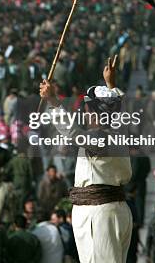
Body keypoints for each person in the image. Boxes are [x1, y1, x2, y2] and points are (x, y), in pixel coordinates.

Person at [40, 56, 133, 263]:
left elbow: (72, 132)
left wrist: (53, 102)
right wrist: (111, 85)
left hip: (99, 215)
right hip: (113, 211)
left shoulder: (100, 137)